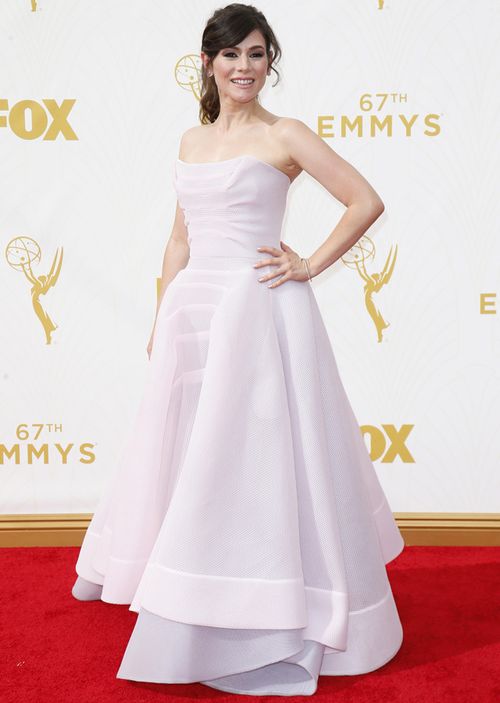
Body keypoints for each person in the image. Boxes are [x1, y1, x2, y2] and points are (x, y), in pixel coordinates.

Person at [72, 2, 405, 696]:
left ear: (268, 62)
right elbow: (180, 238)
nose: (244, 67)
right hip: (197, 310)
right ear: (208, 62)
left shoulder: (286, 133)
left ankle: (276, 606)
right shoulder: (192, 141)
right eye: (232, 55)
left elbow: (365, 200)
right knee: (197, 459)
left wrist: (309, 263)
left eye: (257, 54)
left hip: (261, 312)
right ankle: (200, 595)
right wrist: (165, 316)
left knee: (259, 465)